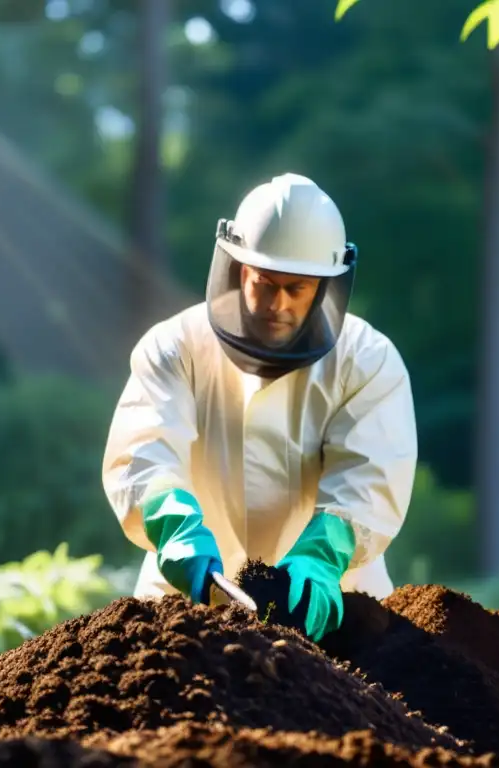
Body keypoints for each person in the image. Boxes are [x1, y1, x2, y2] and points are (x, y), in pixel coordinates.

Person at [101, 172, 417, 643]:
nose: (277, 303)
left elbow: (368, 479)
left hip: (334, 606)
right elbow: (146, 452)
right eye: (264, 282)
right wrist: (173, 524)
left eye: (297, 288)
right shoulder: (175, 347)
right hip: (187, 604)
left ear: (327, 286)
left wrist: (324, 555)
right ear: (237, 268)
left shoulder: (367, 361)